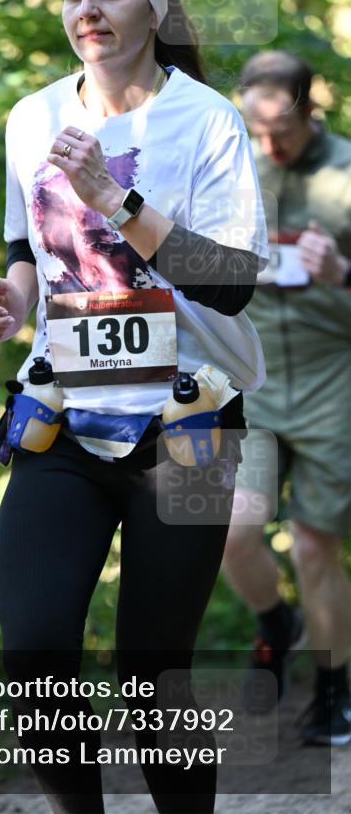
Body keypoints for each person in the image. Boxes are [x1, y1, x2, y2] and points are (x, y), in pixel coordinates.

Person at [0, 0, 268, 814]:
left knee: (152, 678)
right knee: (31, 655)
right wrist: (13, 300)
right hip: (62, 412)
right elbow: (28, 246)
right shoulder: (32, 117)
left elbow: (231, 286)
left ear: (154, 5)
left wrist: (114, 198)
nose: (87, 10)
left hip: (191, 427)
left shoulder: (206, 120)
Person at [221, 50, 351, 744]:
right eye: (257, 130)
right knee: (229, 534)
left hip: (335, 381)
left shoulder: (346, 171)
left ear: (309, 109)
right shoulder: (230, 164)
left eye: (282, 131)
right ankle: (275, 621)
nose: (268, 145)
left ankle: (333, 688)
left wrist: (344, 273)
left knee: (312, 546)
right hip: (254, 379)